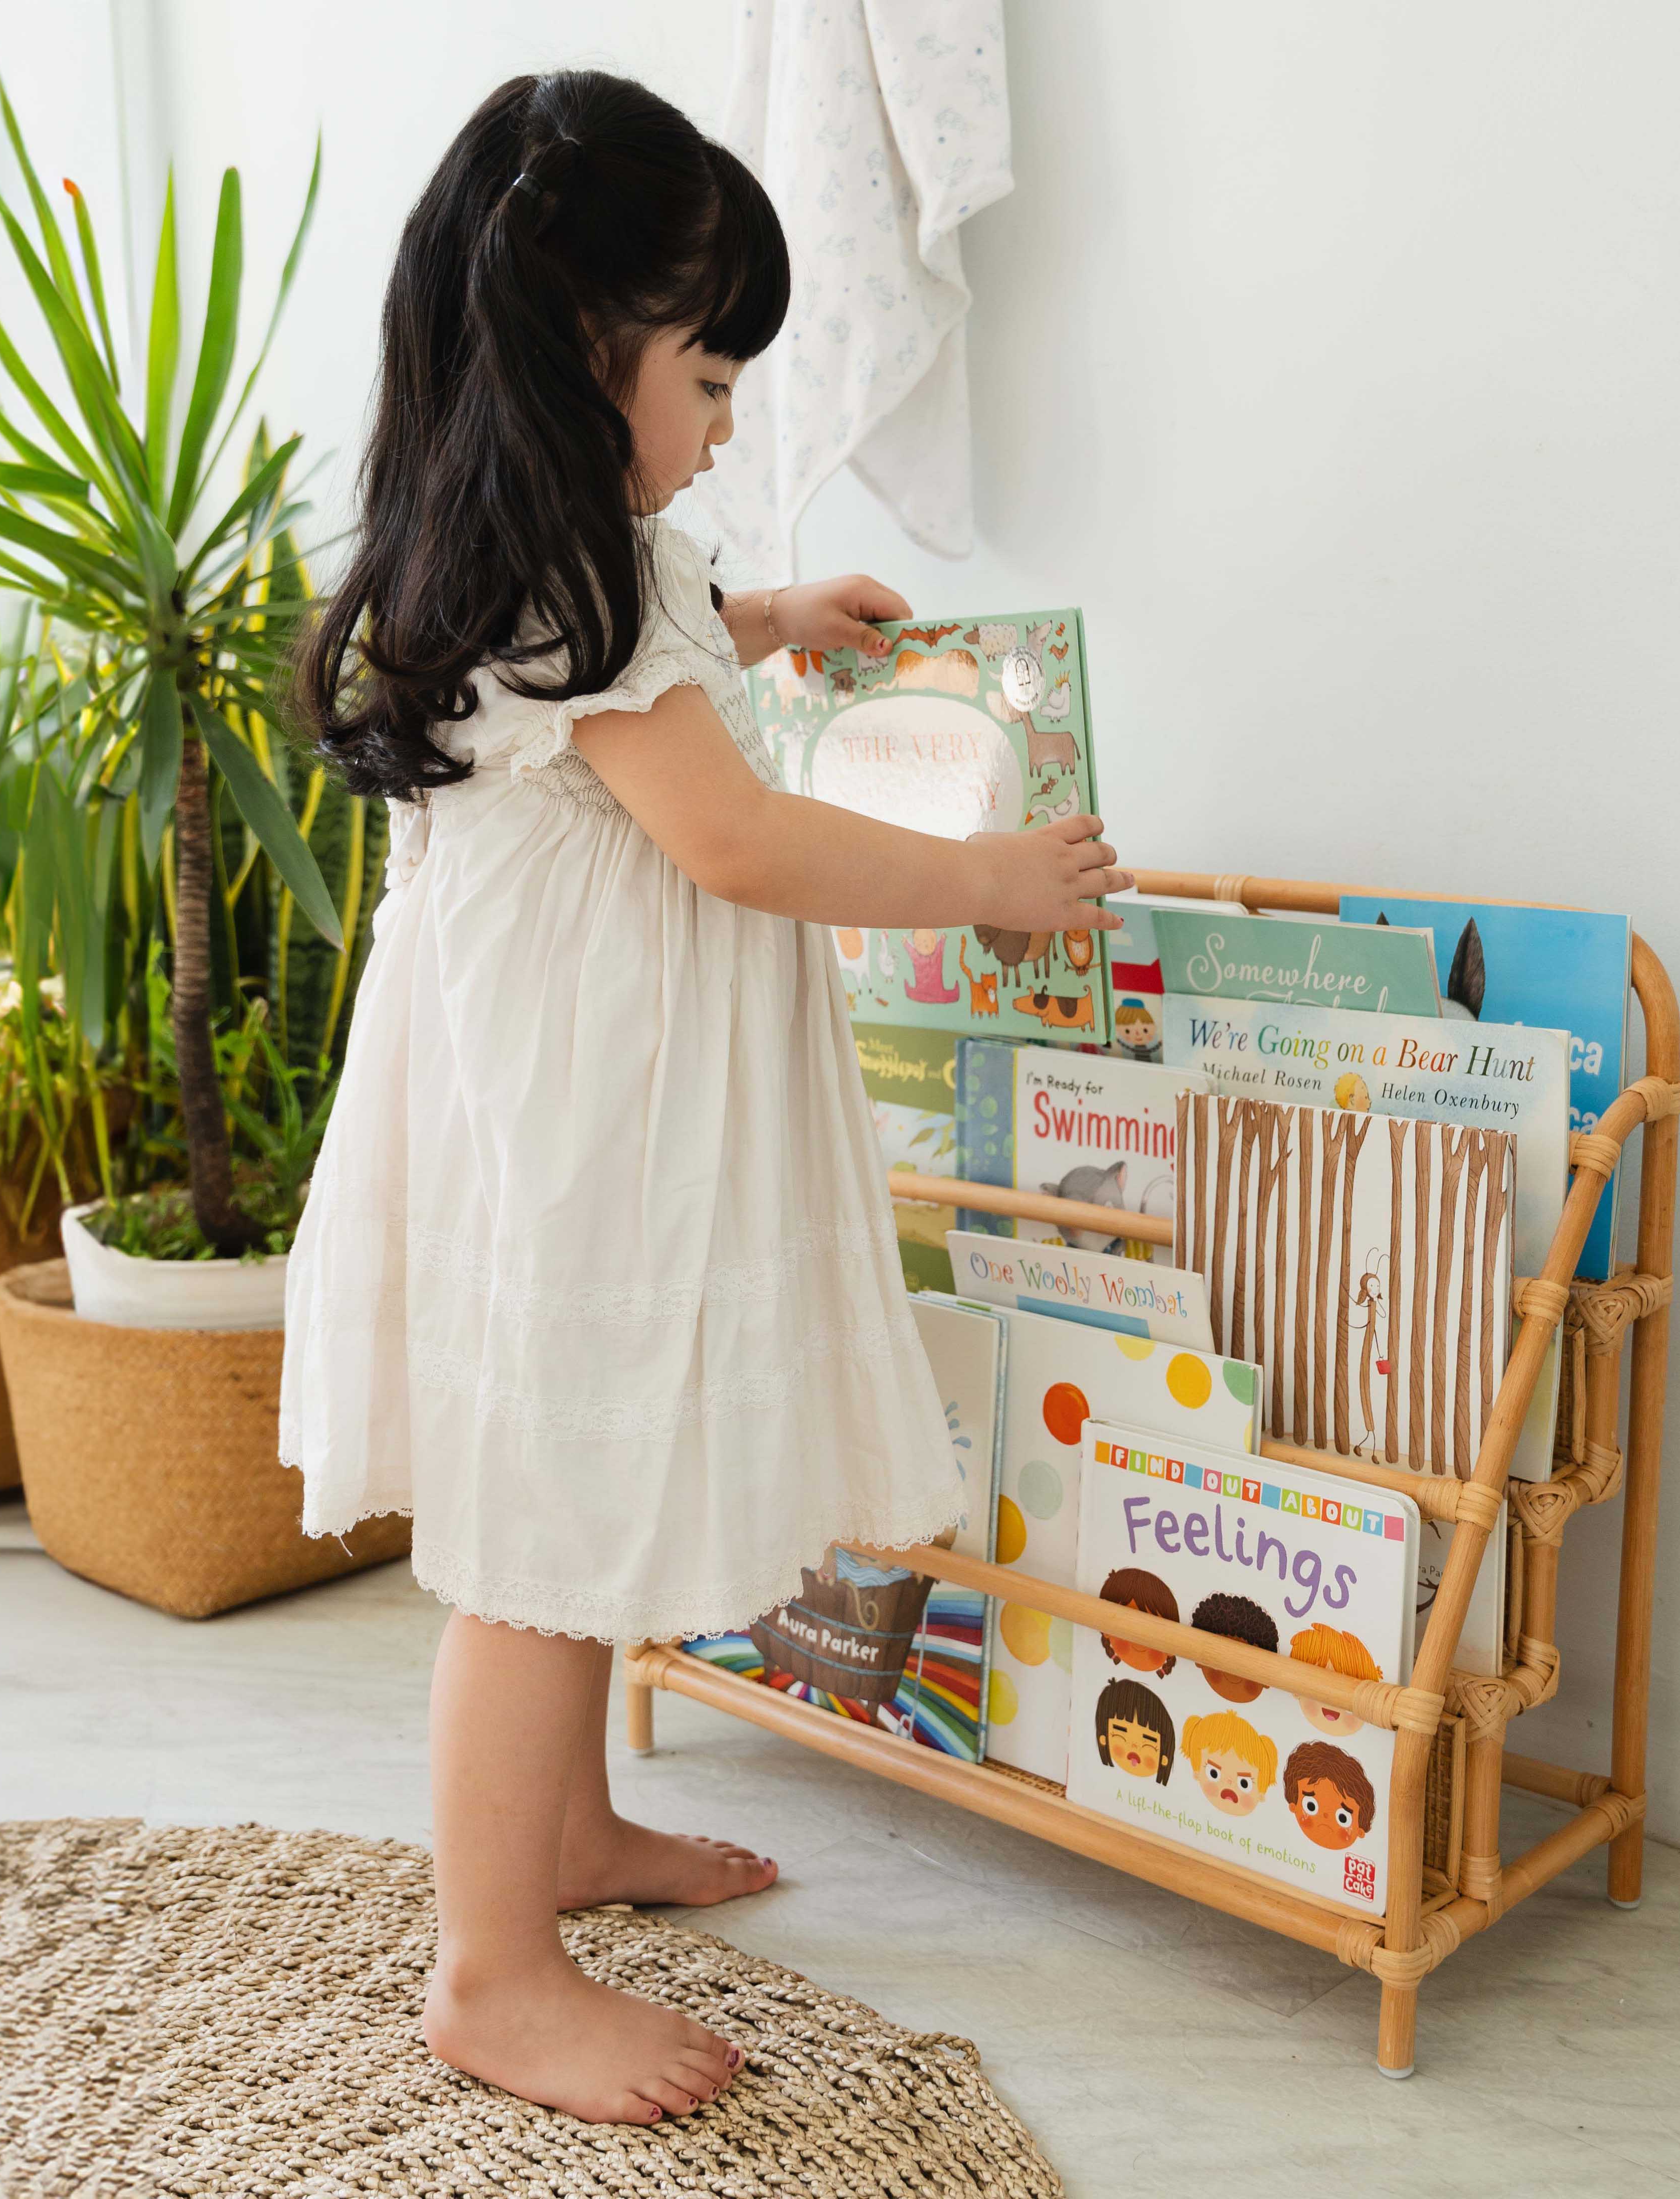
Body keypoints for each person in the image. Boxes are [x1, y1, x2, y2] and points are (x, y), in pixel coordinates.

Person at [284, 70, 1130, 2128]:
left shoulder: (523, 553)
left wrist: (757, 617)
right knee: (541, 1532)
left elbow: (612, 702)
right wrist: (988, 880)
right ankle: (489, 1966)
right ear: (587, 352)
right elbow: (736, 842)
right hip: (588, 1122)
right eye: (713, 373)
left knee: (568, 1502)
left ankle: (563, 1839)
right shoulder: (591, 577)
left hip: (538, 1095)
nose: (729, 421)